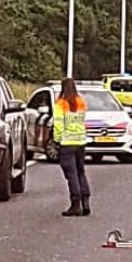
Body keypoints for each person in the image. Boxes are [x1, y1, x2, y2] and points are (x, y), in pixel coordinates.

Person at [53, 77, 91, 217]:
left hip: (67, 142)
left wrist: (57, 140)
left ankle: (76, 204)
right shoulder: (81, 102)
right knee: (81, 171)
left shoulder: (61, 104)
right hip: (80, 142)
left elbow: (58, 124)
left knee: (71, 174)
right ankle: (85, 201)